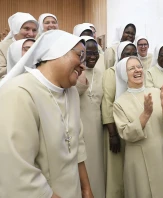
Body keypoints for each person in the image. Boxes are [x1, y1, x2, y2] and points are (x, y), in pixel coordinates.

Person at [0, 30, 94, 198]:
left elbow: (76, 145)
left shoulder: (71, 93)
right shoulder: (17, 94)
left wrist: (86, 189)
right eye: (80, 56)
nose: (83, 65)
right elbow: (17, 174)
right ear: (56, 52)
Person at [113, 56, 163, 198]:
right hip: (138, 159)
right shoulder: (119, 103)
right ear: (124, 74)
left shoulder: (155, 92)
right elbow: (126, 134)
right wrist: (146, 114)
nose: (137, 70)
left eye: (139, 66)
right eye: (131, 68)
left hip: (160, 154)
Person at [101, 41, 137, 198]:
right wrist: (113, 135)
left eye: (133, 54)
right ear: (120, 55)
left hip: (133, 129)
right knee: (116, 171)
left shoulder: (136, 72)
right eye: (126, 54)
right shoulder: (111, 73)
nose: (129, 57)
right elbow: (107, 103)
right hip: (114, 129)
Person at [76, 36, 105, 198]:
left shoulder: (101, 73)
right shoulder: (75, 71)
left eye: (96, 52)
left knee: (97, 166)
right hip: (80, 127)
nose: (92, 56)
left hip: (97, 130)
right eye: (89, 52)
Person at [0, 12, 38, 87]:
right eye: (26, 29)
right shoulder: (1, 47)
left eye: (34, 30)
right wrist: (21, 65)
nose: (31, 34)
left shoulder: (38, 46)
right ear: (16, 29)